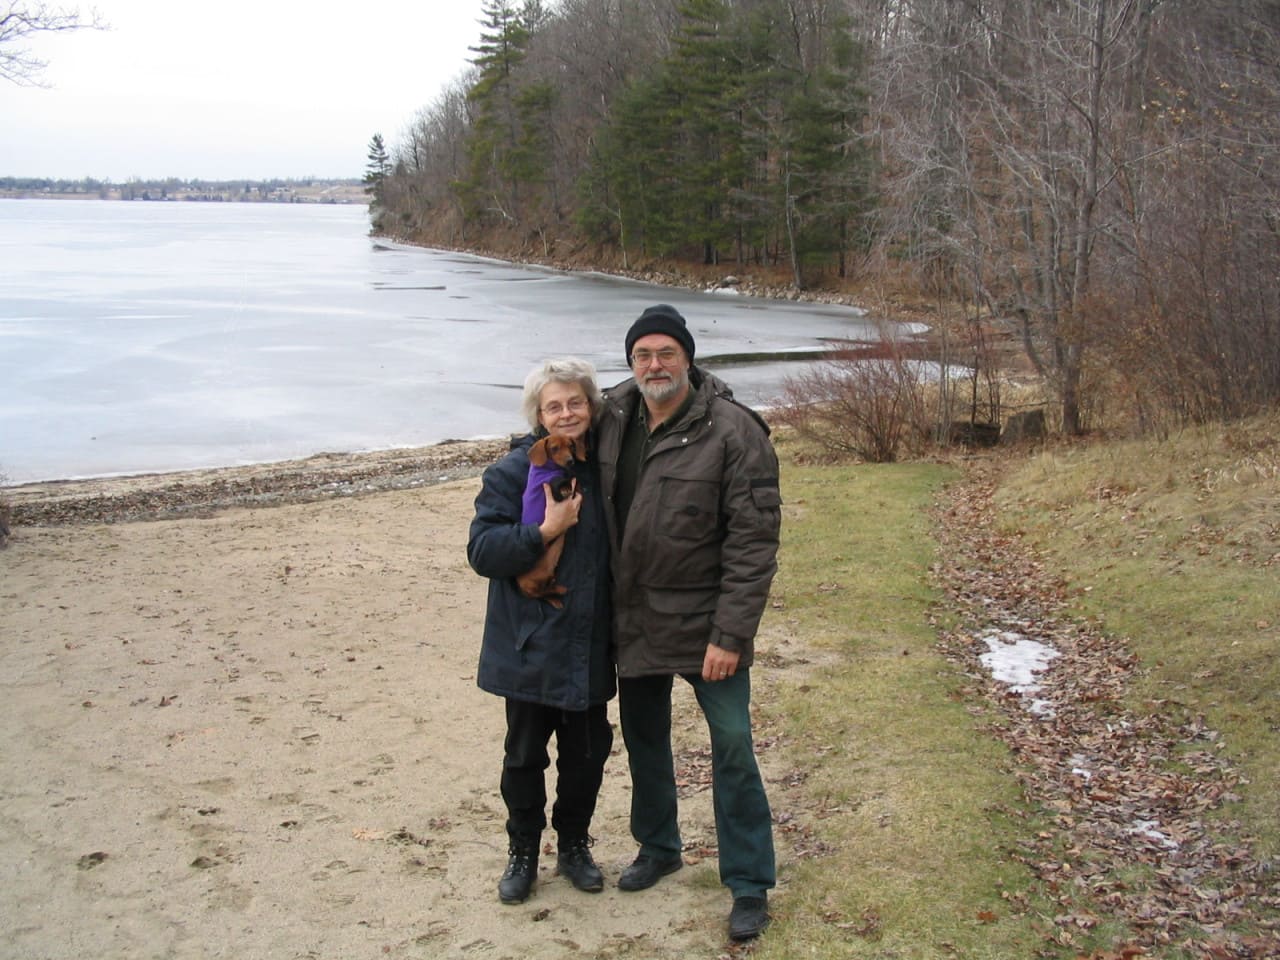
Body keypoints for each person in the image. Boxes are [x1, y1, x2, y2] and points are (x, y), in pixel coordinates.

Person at [596, 304, 782, 942]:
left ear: (688, 358)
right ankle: (659, 845)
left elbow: (754, 544)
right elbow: (553, 443)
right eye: (643, 354)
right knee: (644, 737)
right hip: (636, 621)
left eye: (666, 353)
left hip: (707, 628)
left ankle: (750, 882)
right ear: (630, 362)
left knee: (732, 746)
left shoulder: (734, 431)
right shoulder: (612, 417)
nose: (654, 365)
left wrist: (730, 635)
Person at [467, 357, 615, 905]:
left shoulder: (606, 469)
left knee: (586, 755)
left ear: (591, 407)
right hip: (526, 642)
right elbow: (481, 551)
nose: (566, 413)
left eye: (575, 402)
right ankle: (523, 852)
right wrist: (544, 530)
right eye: (554, 405)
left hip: (588, 641)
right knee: (524, 758)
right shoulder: (511, 473)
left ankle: (574, 844)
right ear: (538, 414)